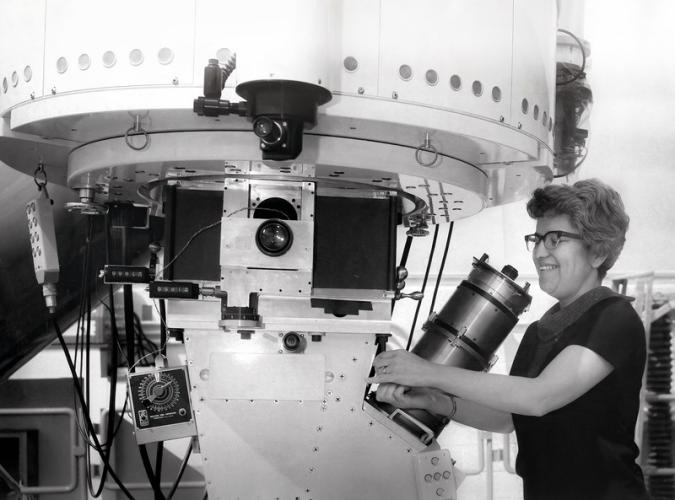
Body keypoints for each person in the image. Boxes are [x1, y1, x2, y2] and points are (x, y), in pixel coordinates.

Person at [368, 179, 649, 500]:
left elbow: (538, 398)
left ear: (598, 251)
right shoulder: (541, 330)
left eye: (556, 239)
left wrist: (426, 371)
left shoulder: (613, 317)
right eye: (538, 238)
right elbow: (510, 417)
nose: (540, 251)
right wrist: (438, 402)